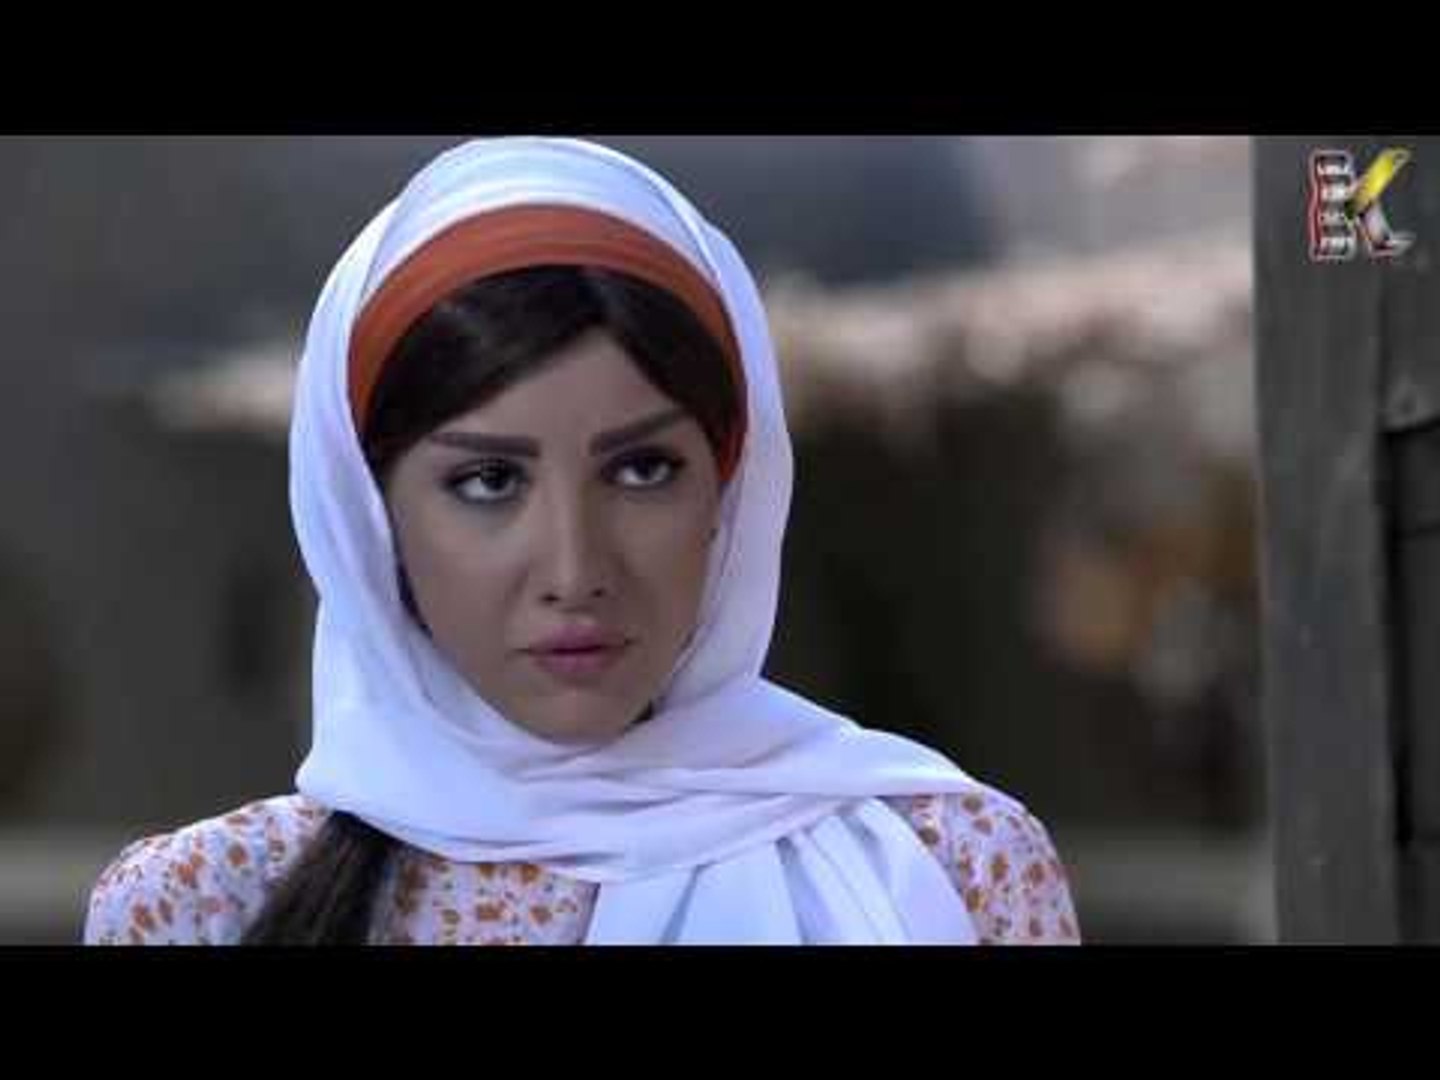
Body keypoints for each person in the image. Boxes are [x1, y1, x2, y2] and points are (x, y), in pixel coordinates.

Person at [83, 137, 1080, 945]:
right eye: (488, 481)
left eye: (642, 471)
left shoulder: (942, 867)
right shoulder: (208, 904)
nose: (574, 570)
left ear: (731, 491)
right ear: (370, 515)